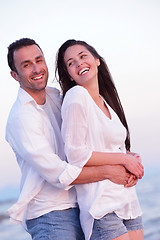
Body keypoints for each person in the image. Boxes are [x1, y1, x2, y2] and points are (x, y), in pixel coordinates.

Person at [6, 38, 132, 240]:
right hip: (50, 215)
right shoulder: (21, 118)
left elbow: (88, 139)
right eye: (27, 65)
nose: (37, 69)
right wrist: (110, 171)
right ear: (15, 75)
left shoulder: (57, 96)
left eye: (39, 60)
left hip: (81, 205)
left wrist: (123, 155)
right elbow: (59, 174)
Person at [55, 39, 144, 240]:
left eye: (83, 56)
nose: (78, 63)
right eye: (70, 63)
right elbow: (76, 154)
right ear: (69, 74)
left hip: (128, 202)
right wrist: (123, 160)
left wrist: (131, 159)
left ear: (97, 61)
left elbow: (110, 147)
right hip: (102, 207)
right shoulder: (76, 95)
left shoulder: (106, 102)